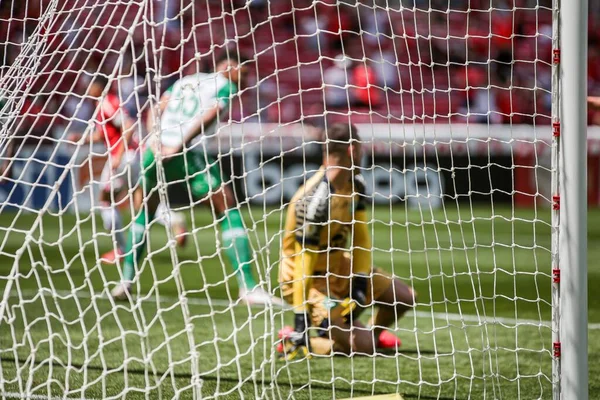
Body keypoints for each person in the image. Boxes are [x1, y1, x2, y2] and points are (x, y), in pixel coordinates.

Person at [111, 51, 280, 306]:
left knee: (144, 210)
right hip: (186, 152)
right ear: (227, 67)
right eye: (243, 73)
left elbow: (156, 108)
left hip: (154, 151)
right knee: (227, 206)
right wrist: (178, 145)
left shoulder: (186, 80)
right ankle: (248, 287)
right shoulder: (225, 85)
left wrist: (155, 138)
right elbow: (209, 115)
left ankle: (126, 281)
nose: (245, 81)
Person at [277, 123, 415, 360]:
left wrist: (360, 281)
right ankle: (300, 338)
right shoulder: (313, 201)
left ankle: (368, 334)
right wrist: (301, 318)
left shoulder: (354, 184)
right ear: (353, 150)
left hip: (339, 268)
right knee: (365, 347)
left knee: (405, 297)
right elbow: (303, 263)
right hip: (308, 282)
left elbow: (360, 236)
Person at [69, 76, 188, 263]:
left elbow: (128, 126)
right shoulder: (107, 105)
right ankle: (172, 219)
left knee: (106, 201)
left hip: (125, 157)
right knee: (141, 200)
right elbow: (104, 135)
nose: (87, 89)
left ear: (98, 87)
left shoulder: (107, 103)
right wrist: (81, 139)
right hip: (136, 155)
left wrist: (118, 155)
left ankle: (120, 249)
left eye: (90, 86)